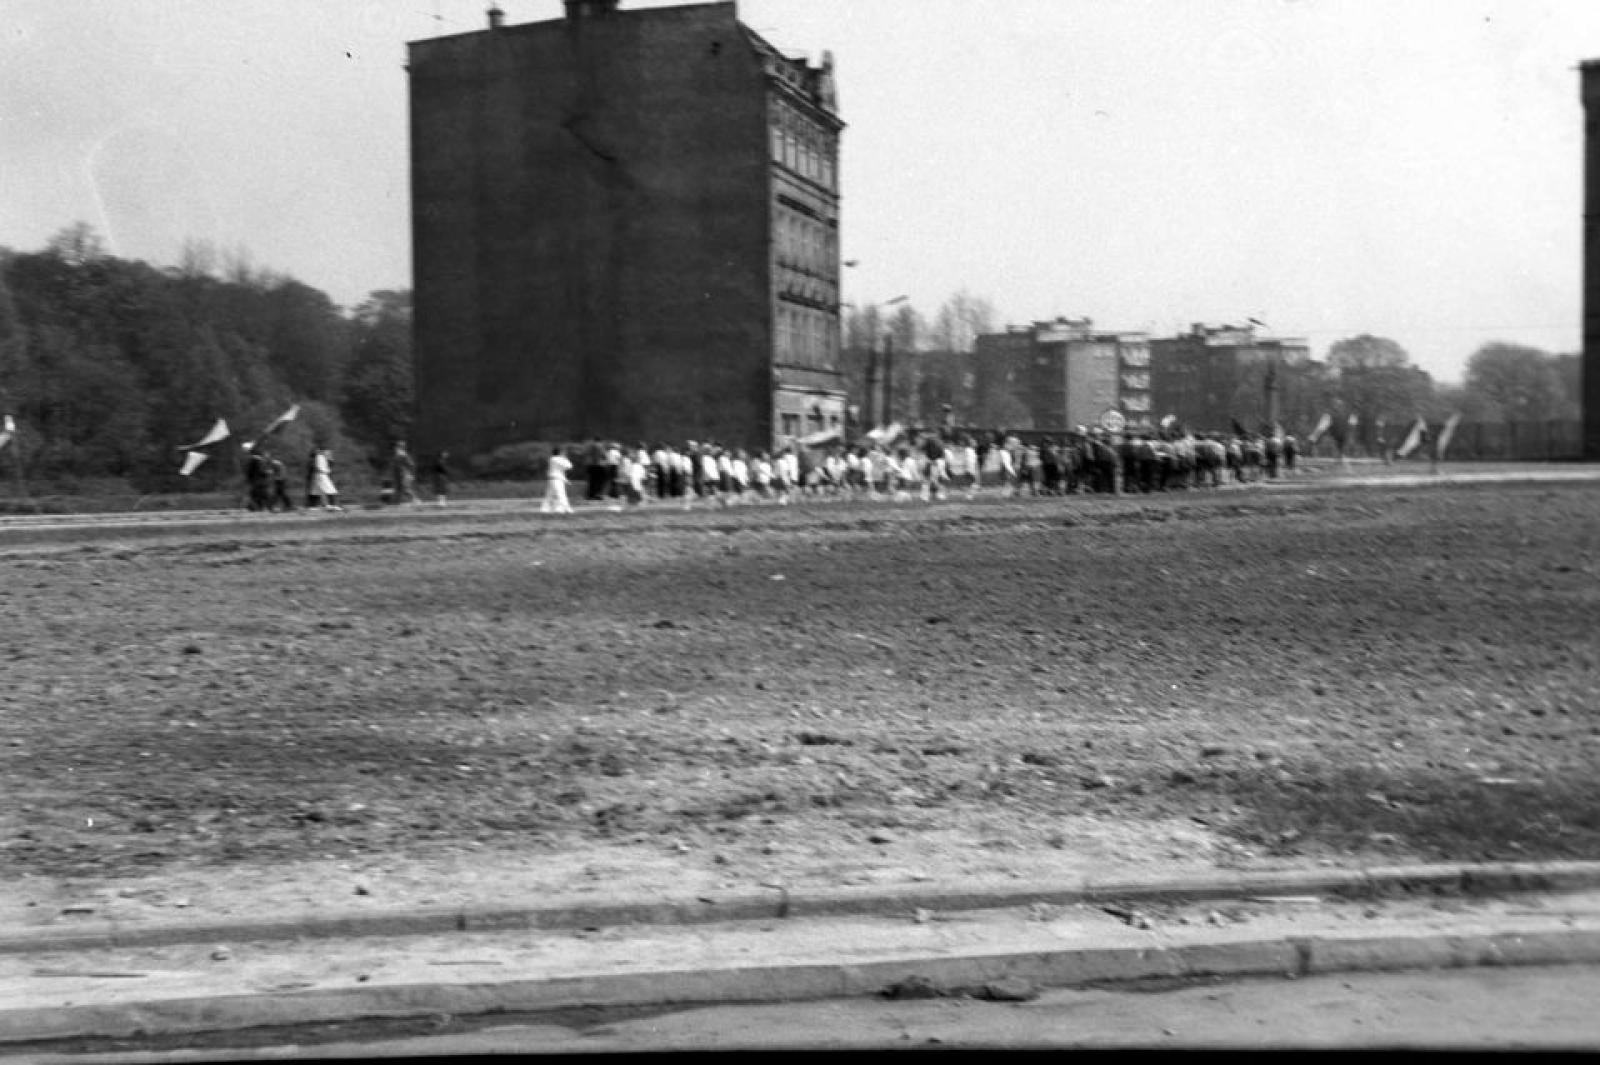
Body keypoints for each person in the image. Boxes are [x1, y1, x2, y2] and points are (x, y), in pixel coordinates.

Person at [541, 446, 574, 514]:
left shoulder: (552, 459)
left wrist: (565, 480)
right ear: (559, 452)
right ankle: (566, 509)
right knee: (561, 494)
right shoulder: (557, 459)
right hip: (556, 479)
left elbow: (561, 470)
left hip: (554, 479)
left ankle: (545, 509)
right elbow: (569, 466)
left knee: (550, 495)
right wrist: (565, 458)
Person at [244, 445, 271, 511]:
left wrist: (249, 479)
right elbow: (260, 471)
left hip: (254, 480)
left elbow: (249, 471)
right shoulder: (258, 460)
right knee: (262, 494)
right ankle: (262, 507)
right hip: (259, 480)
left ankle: (256, 507)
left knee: (255, 494)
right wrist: (267, 473)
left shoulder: (251, 460)